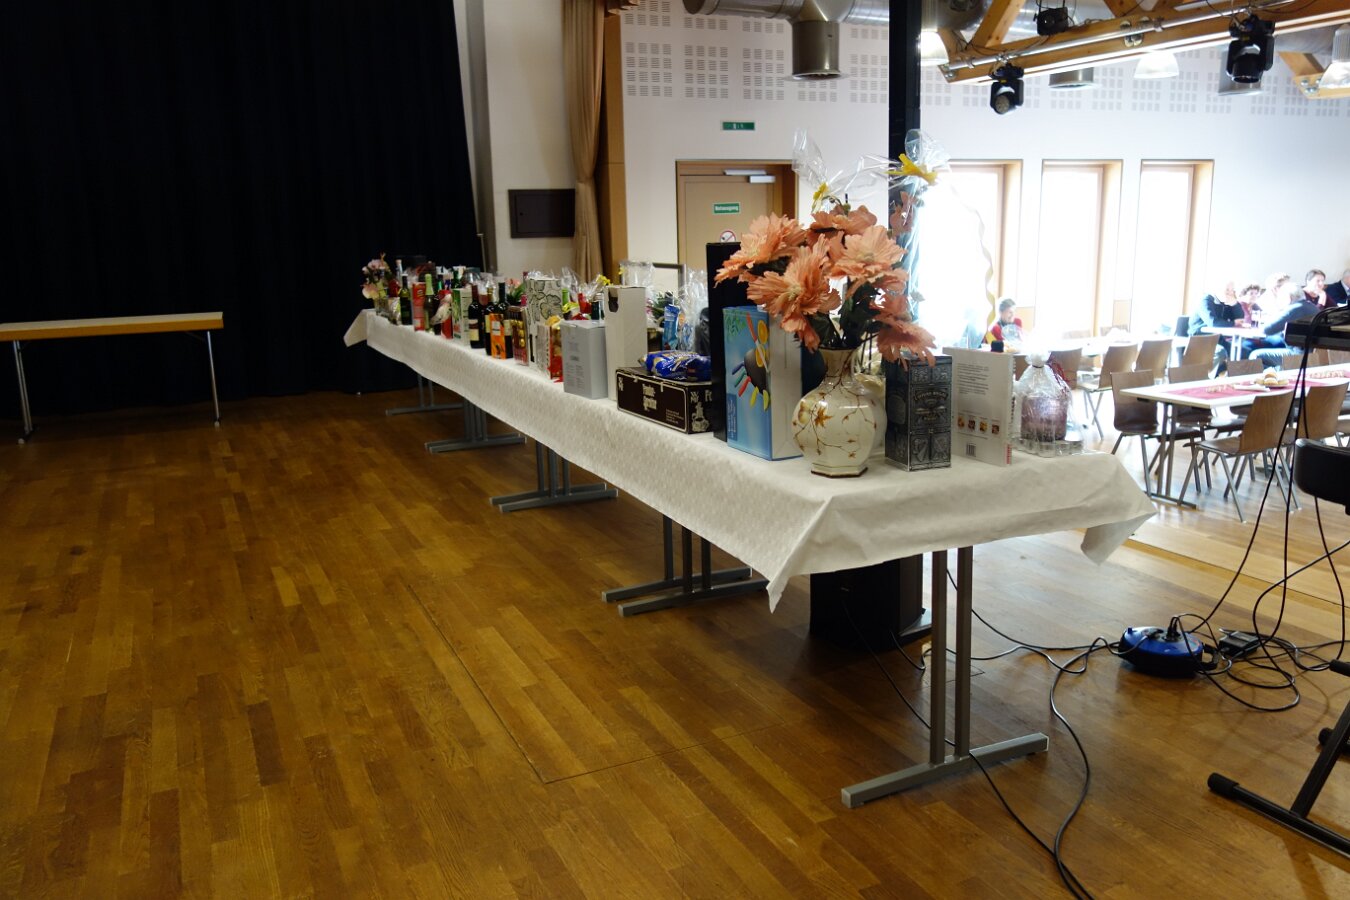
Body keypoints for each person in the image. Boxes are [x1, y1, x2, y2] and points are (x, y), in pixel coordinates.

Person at [1244, 280, 1320, 366]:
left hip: (1299, 356)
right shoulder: (1312, 307)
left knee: (1256, 356)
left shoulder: (1293, 309)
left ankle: (1272, 375)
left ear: (1288, 297)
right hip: (1316, 355)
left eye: (1281, 297)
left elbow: (1267, 330)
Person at [1189, 282, 1242, 373]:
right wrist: (1233, 323)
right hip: (1200, 337)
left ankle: (1231, 377)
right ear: (1218, 290)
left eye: (1232, 291)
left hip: (1217, 337)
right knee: (1220, 351)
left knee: (1241, 351)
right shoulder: (1206, 300)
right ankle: (1207, 378)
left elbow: (1240, 319)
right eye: (1227, 290)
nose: (1230, 293)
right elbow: (1213, 323)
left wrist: (1235, 304)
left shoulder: (1225, 303)